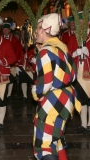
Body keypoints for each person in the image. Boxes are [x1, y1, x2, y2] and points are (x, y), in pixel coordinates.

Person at [32, 13, 81, 160]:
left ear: (44, 29)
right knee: (56, 140)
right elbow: (73, 73)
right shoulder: (61, 47)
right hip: (67, 98)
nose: (36, 31)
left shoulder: (46, 52)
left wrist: (35, 92)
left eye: (38, 28)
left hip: (53, 100)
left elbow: (45, 83)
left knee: (45, 144)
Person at [67, 12, 90, 135]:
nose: (80, 24)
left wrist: (88, 53)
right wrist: (75, 53)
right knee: (81, 99)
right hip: (78, 72)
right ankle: (83, 124)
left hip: (89, 71)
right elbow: (67, 54)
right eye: (79, 22)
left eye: (83, 22)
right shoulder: (73, 37)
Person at [2, 22, 23, 102]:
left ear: (10, 30)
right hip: (2, 62)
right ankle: (3, 93)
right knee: (4, 79)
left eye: (7, 29)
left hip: (12, 62)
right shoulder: (0, 38)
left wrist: (16, 62)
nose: (5, 31)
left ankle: (9, 95)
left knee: (11, 79)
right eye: (4, 29)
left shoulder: (14, 39)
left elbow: (17, 51)